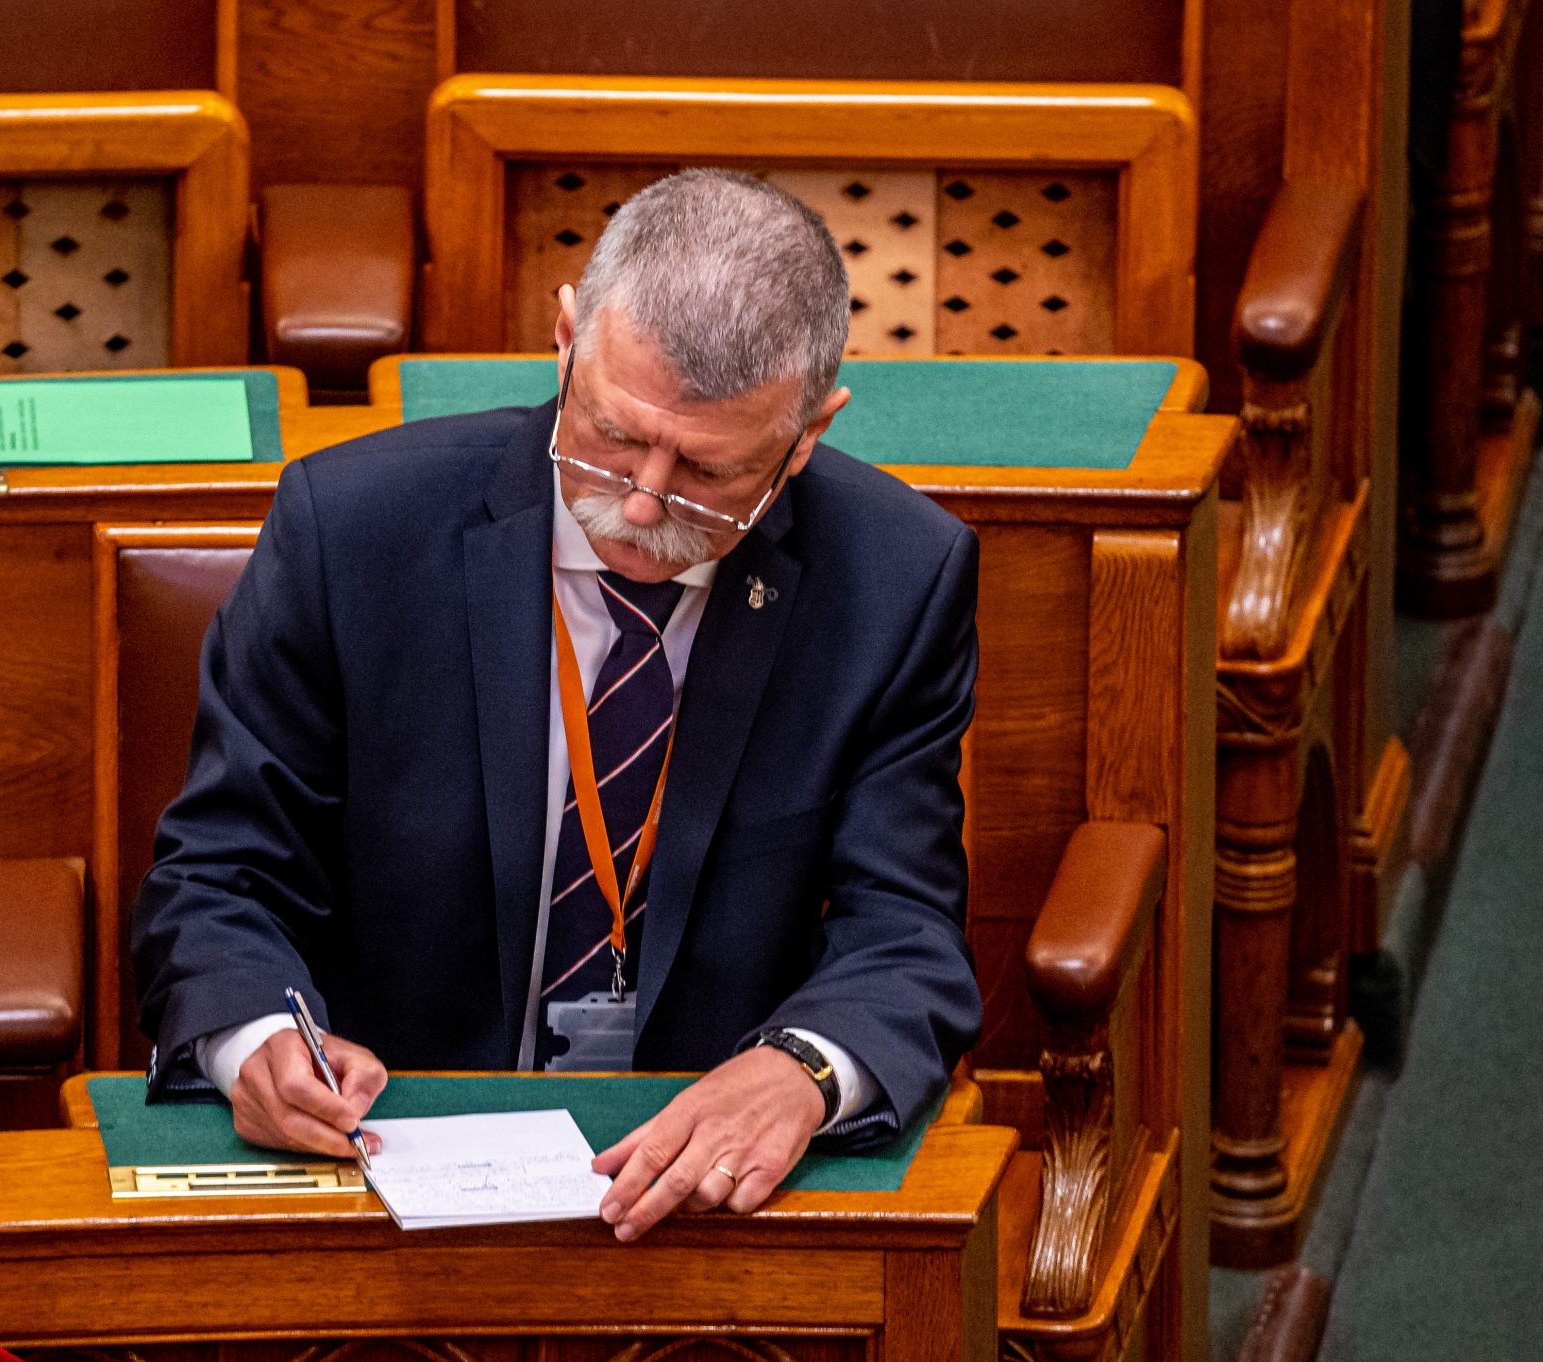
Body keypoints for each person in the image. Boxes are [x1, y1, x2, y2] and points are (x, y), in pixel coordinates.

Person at [131, 168, 980, 1242]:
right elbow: (220, 869)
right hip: (382, 1157)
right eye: (614, 437)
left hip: (696, 1191)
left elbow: (903, 928)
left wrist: (801, 1069)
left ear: (809, 431)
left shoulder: (897, 577)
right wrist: (255, 1038)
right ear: (565, 335)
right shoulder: (353, 530)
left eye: (707, 474)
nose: (637, 505)